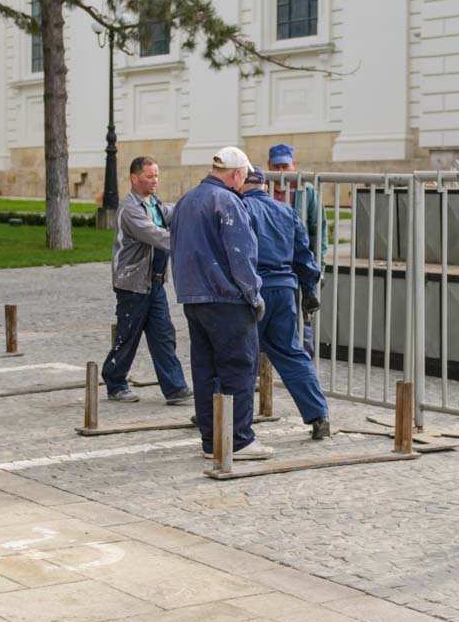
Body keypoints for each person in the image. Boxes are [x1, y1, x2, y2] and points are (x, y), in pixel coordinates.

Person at [169, 147, 273, 460]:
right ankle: (238, 440)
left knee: (205, 371)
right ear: (237, 173)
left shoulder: (187, 200)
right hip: (226, 299)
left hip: (194, 298)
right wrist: (254, 296)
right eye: (243, 176)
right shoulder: (228, 201)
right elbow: (241, 257)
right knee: (238, 369)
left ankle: (210, 439)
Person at [240, 169, 330, 440]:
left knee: (236, 354)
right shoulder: (286, 211)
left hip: (254, 291)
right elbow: (304, 253)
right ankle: (319, 415)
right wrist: (309, 289)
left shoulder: (240, 208)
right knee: (291, 352)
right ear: (264, 185)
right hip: (285, 290)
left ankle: (224, 416)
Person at [101, 156, 190, 406]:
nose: (154, 181)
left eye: (157, 176)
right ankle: (115, 381)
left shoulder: (156, 204)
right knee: (128, 336)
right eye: (149, 176)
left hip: (155, 283)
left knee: (163, 335)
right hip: (133, 284)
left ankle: (175, 388)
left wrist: (194, 206)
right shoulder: (130, 209)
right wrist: (190, 243)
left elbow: (177, 213)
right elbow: (157, 236)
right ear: (134, 177)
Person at [266, 142, 324, 349]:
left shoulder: (306, 191)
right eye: (276, 167)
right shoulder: (263, 189)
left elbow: (318, 230)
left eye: (285, 167)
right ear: (269, 167)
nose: (281, 172)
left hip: (298, 266)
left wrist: (319, 266)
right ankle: (262, 376)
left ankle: (305, 370)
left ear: (294, 166)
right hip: (270, 266)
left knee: (303, 322)